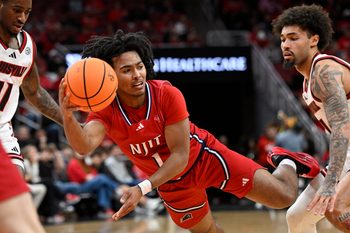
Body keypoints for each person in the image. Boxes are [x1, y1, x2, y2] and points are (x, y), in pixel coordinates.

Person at [58, 29, 320, 233]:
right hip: (170, 183)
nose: (137, 74)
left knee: (283, 197)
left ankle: (287, 161)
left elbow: (180, 156)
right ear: (111, 75)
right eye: (126, 70)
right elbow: (84, 145)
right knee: (206, 230)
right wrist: (68, 115)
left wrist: (142, 188)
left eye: (139, 66)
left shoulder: (166, 94)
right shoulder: (106, 109)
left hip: (204, 157)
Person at [271, 4, 350, 232]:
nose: (285, 44)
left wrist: (330, 182)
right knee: (297, 217)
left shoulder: (323, 71)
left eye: (294, 38)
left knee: (335, 207)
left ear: (313, 40)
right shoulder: (307, 81)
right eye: (283, 39)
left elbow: (342, 129)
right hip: (345, 155)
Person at [0, 0, 63, 175]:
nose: (22, 18)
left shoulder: (27, 45)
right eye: (16, 10)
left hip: (2, 129)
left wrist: (69, 122)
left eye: (27, 12)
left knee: (17, 185)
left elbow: (34, 92)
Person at [0, 141, 46, 233]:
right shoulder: (27, 162)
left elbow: (34, 176)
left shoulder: (33, 162)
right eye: (32, 152)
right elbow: (28, 177)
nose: (34, 153)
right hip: (25, 183)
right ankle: (31, 212)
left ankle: (32, 211)